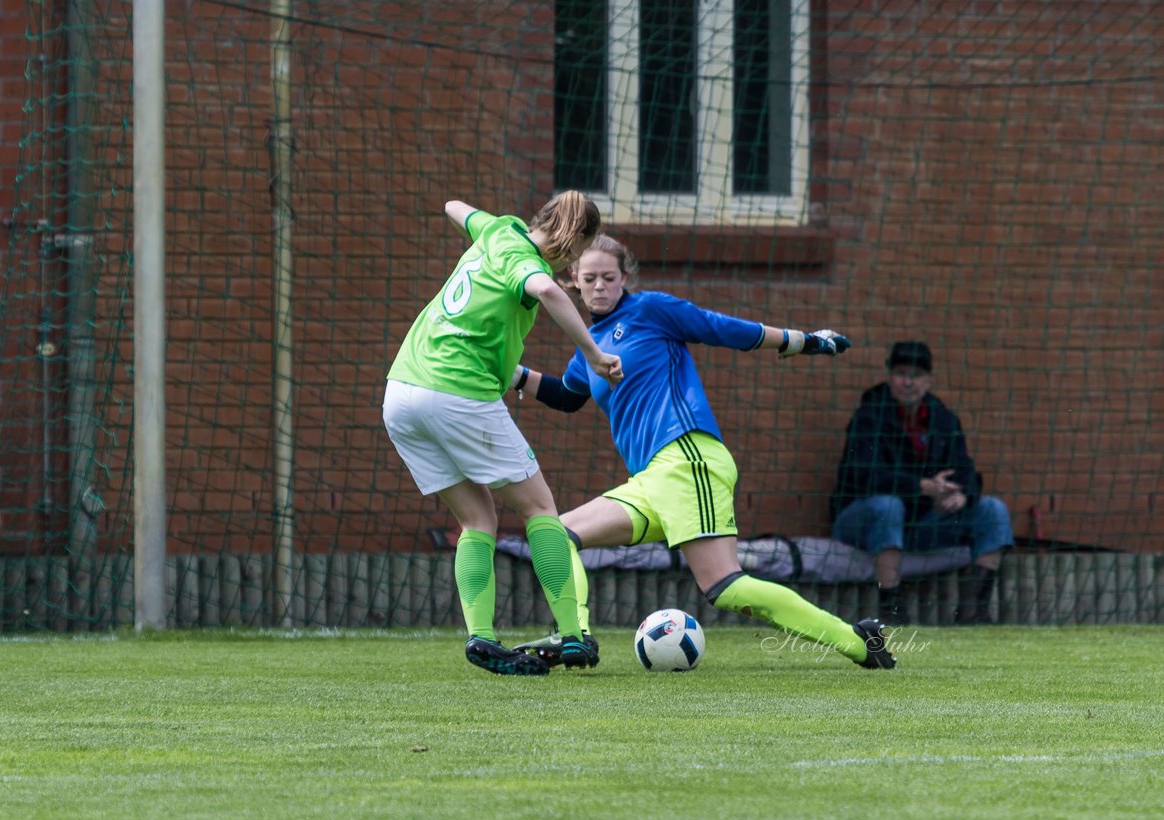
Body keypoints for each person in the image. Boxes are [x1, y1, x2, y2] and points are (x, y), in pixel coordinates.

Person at [510, 235, 896, 670]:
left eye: (609, 277)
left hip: (688, 458)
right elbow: (566, 395)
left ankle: (861, 642)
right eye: (590, 278)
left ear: (625, 278)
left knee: (724, 586)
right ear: (572, 283)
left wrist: (803, 340)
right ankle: (574, 637)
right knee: (555, 536)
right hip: (652, 478)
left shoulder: (650, 310)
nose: (600, 286)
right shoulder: (589, 345)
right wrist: (511, 372)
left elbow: (722, 327)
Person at [383, 192, 623, 677]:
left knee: (477, 519)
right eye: (578, 254)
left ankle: (482, 638)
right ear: (571, 237)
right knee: (538, 507)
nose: (573, 265)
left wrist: (484, 230)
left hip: (401, 393)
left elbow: (450, 204)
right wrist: (595, 356)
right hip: (457, 393)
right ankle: (572, 637)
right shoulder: (524, 259)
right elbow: (549, 292)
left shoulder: (498, 230)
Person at [829, 341, 1015, 625]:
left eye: (915, 375)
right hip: (860, 524)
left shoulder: (943, 419)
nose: (908, 382)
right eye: (901, 373)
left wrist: (961, 495)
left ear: (928, 380)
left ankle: (973, 612)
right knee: (888, 506)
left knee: (993, 510)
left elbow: (966, 470)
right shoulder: (868, 418)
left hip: (918, 525)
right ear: (890, 375)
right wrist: (922, 487)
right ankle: (890, 609)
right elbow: (863, 477)